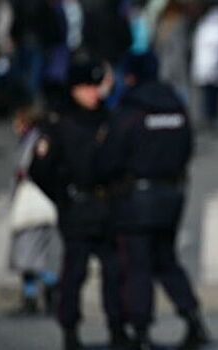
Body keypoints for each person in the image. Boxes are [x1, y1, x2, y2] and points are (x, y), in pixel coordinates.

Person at [97, 52, 208, 350]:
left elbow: (109, 158)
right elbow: (187, 148)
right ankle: (193, 318)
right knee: (167, 260)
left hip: (135, 199)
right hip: (171, 195)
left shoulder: (130, 109)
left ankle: (141, 332)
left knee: (137, 266)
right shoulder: (176, 106)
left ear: (131, 76)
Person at [29, 59, 128, 350]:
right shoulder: (58, 123)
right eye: (86, 87)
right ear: (73, 89)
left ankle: (118, 330)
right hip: (76, 209)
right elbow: (40, 169)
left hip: (107, 207)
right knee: (74, 274)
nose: (93, 94)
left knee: (115, 273)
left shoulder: (108, 117)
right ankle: (70, 332)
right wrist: (62, 195)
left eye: (94, 86)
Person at [8, 106, 58, 316]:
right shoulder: (30, 139)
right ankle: (31, 297)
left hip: (34, 203)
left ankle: (53, 284)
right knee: (24, 256)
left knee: (28, 258)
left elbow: (36, 168)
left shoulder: (38, 140)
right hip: (26, 203)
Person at [191, 0, 218, 130]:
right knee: (213, 95)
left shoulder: (206, 24)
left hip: (209, 65)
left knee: (209, 94)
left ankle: (210, 117)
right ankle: (212, 117)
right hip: (214, 65)